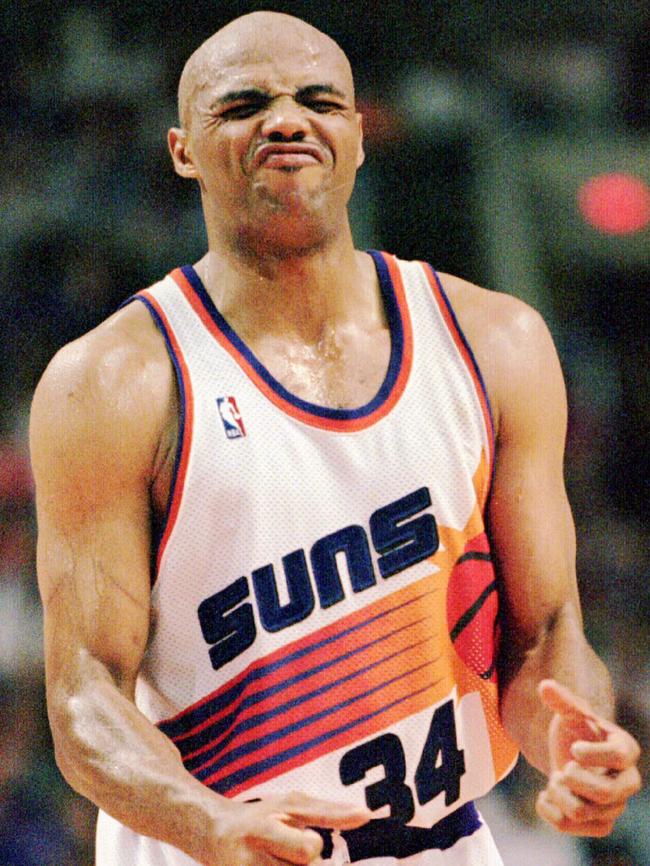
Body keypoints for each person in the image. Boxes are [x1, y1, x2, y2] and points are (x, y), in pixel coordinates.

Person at [30, 11, 641, 866]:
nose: (286, 118)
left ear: (358, 135)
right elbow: (84, 695)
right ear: (180, 150)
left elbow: (543, 636)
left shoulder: (496, 341)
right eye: (243, 104)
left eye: (318, 99)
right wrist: (206, 822)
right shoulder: (111, 382)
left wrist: (573, 743)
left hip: (442, 840)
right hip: (212, 848)